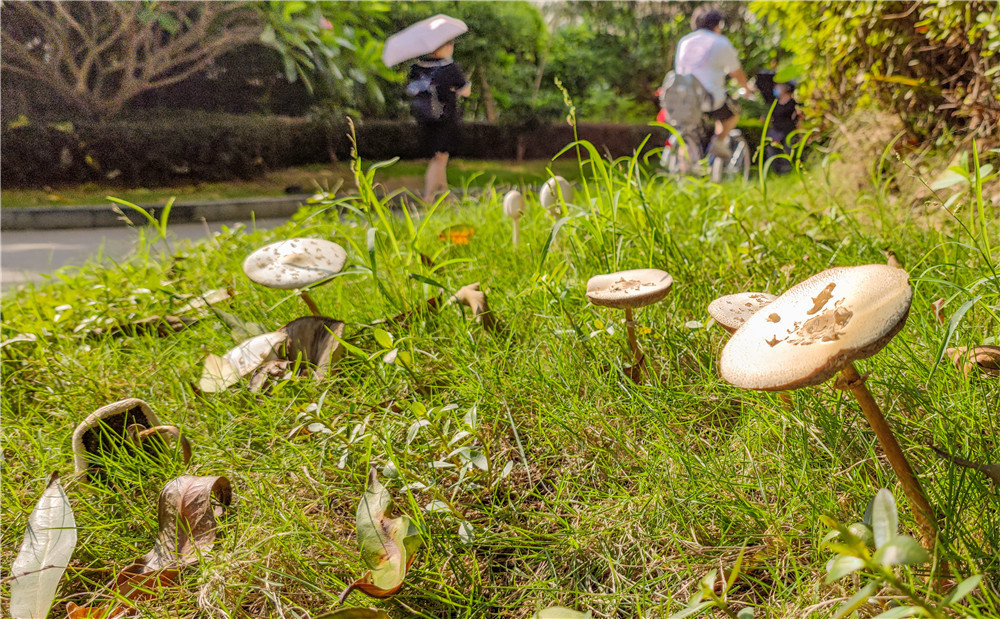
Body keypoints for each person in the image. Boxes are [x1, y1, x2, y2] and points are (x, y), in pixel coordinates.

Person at [674, 8, 752, 158]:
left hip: (680, 98)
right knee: (732, 113)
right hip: (708, 99)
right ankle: (719, 142)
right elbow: (737, 73)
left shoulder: (684, 41)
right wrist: (747, 89)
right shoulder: (720, 42)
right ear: (718, 25)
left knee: (687, 138)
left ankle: (682, 174)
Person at [408, 40, 471, 203]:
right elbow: (466, 90)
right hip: (444, 119)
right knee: (440, 158)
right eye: (449, 45)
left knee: (439, 157)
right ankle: (429, 197)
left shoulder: (418, 67)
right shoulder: (449, 68)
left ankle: (445, 194)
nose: (451, 48)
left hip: (426, 118)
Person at [765, 81, 802, 174]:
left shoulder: (793, 103)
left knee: (787, 152)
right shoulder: (775, 103)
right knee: (772, 152)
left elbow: (799, 119)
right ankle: (774, 171)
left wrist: (800, 134)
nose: (776, 88)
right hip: (776, 132)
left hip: (788, 131)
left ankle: (786, 172)